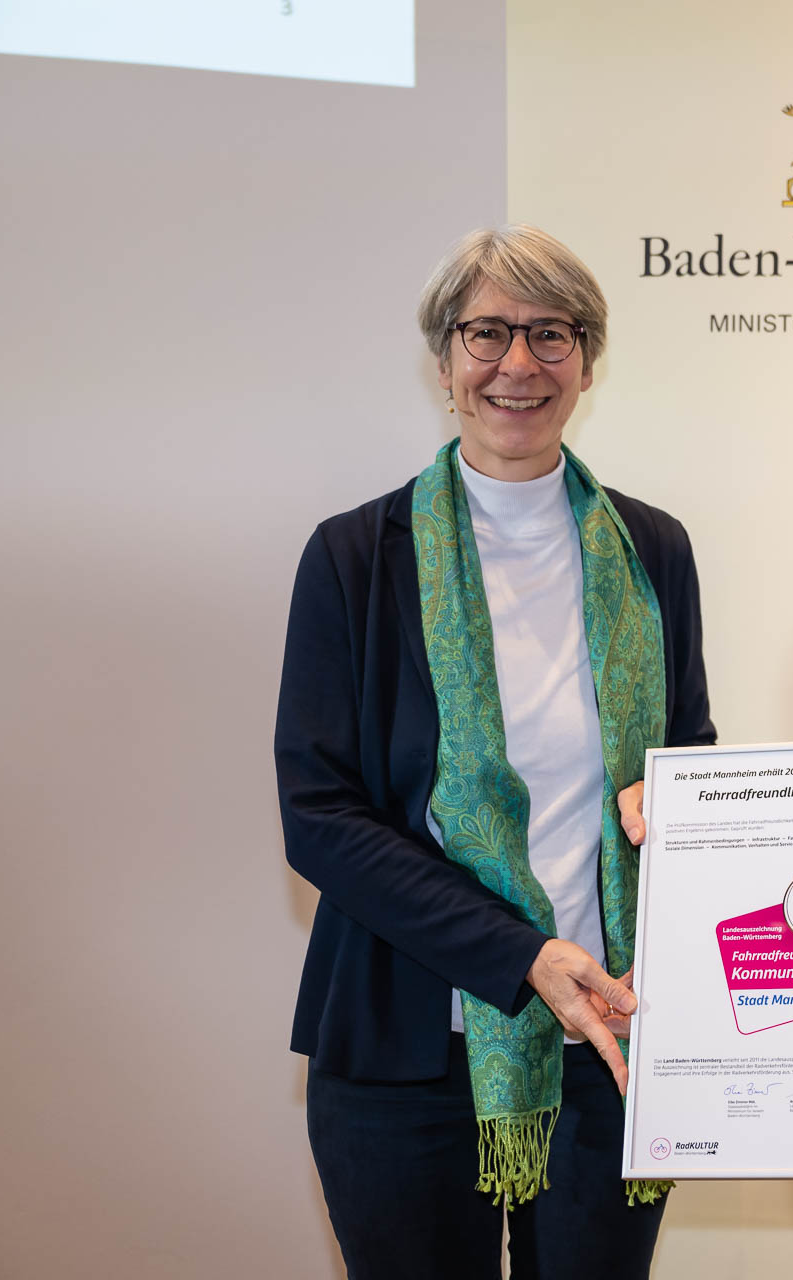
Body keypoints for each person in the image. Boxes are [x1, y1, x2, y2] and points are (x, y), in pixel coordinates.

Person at [274, 224, 715, 1279]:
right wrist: (518, 952)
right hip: (405, 1051)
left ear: (587, 362)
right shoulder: (354, 556)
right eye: (487, 333)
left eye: (552, 333)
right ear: (445, 360)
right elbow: (321, 817)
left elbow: (687, 748)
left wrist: (696, 804)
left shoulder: (652, 548)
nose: (519, 362)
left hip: (608, 1039)